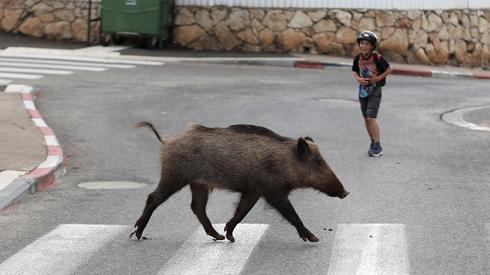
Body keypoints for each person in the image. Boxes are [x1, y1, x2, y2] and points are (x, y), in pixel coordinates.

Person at [352, 31, 392, 157]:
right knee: (366, 119)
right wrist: (358, 79)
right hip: (363, 91)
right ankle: (373, 142)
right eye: (362, 43)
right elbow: (354, 71)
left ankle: (378, 145)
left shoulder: (377, 57)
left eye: (367, 44)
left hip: (375, 90)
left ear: (372, 46)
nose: (364, 46)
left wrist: (378, 78)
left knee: (371, 117)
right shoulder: (357, 57)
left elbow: (389, 69)